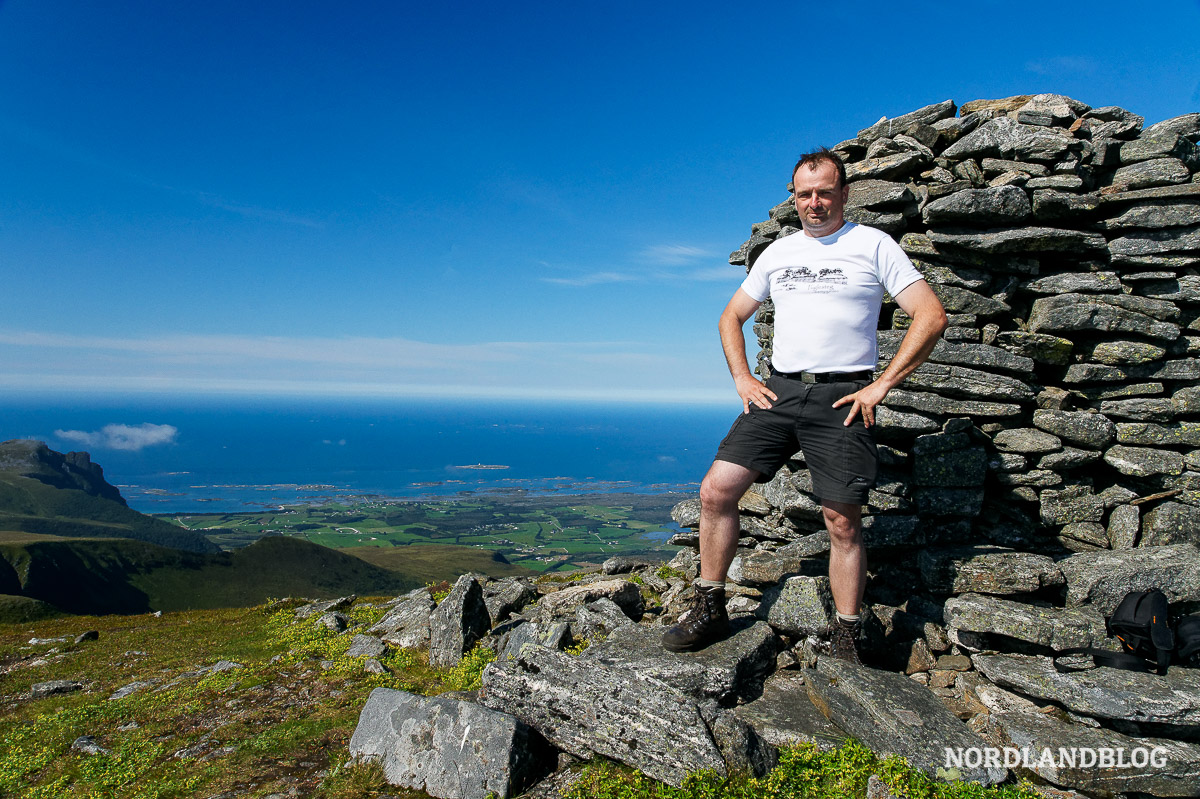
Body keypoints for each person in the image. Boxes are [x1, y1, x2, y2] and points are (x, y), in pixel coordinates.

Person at [662, 148, 948, 664]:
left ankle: (847, 633)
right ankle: (710, 605)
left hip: (843, 394)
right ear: (793, 197)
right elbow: (731, 317)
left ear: (843, 193)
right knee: (716, 490)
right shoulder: (777, 252)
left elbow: (929, 316)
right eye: (803, 193)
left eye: (823, 192)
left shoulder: (873, 245)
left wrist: (880, 386)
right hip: (780, 390)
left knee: (841, 521)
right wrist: (743, 378)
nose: (813, 202)